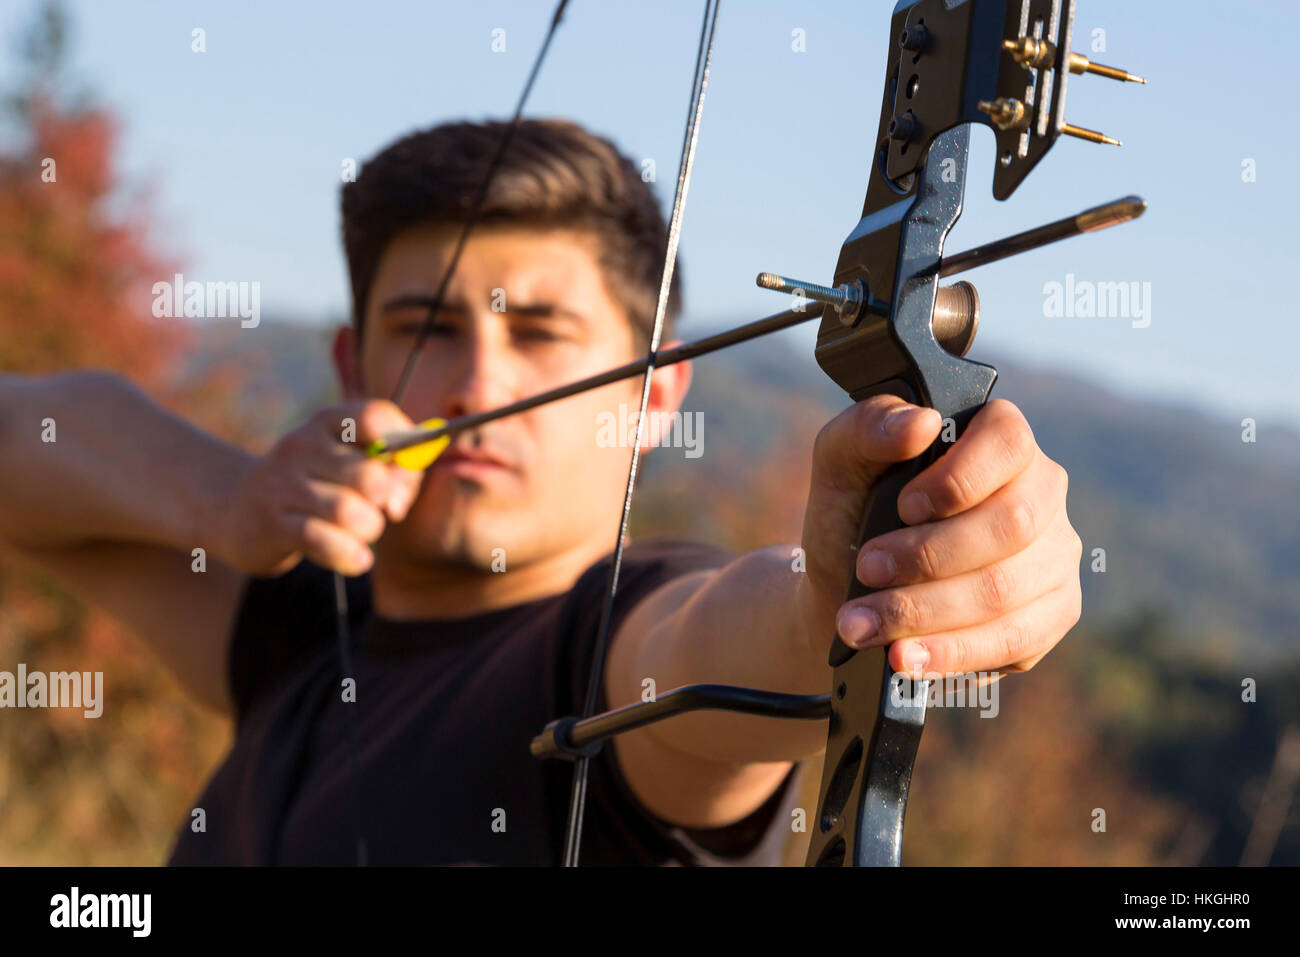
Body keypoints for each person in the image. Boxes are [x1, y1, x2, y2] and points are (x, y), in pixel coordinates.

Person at [0, 118, 1082, 865]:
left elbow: (744, 638)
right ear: (350, 368)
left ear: (656, 393)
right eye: (427, 330)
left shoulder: (608, 652)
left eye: (539, 333)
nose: (478, 385)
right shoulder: (295, 622)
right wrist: (230, 503)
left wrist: (860, 584)